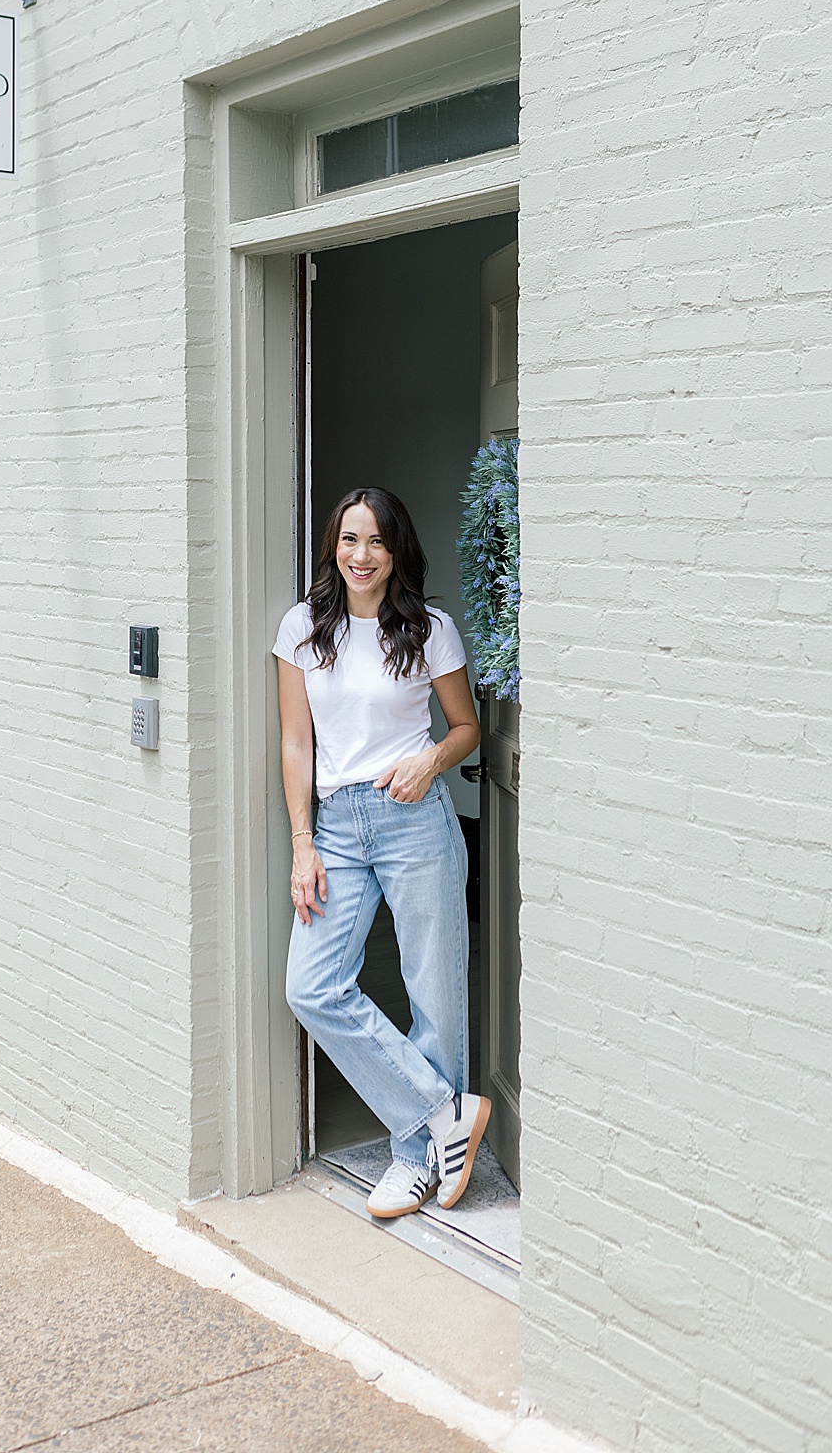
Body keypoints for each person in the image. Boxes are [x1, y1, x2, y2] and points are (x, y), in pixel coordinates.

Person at [274, 486, 490, 1219]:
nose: (360, 556)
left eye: (374, 542)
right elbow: (296, 742)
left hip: (413, 819)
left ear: (396, 550)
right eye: (347, 541)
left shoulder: (430, 629)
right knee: (312, 986)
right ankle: (439, 1112)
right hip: (334, 826)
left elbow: (465, 728)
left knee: (435, 996)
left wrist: (431, 761)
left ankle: (414, 1160)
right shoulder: (304, 628)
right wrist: (303, 845)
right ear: (333, 548)